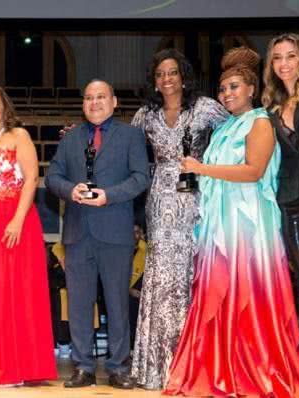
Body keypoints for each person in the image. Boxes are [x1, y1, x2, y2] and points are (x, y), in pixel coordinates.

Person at [165, 47, 299, 397]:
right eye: (223, 90)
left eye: (234, 87)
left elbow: (253, 171)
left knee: (247, 290)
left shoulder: (261, 121)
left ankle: (256, 366)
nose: (227, 94)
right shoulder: (226, 127)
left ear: (251, 88)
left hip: (248, 223)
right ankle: (223, 365)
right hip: (223, 221)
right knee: (220, 290)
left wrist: (201, 168)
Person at [129, 48, 229, 389]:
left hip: (198, 198)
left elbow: (237, 135)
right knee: (160, 276)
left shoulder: (207, 109)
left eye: (172, 72)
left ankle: (197, 365)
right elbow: (125, 151)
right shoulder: (145, 115)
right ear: (154, 83)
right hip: (159, 199)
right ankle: (158, 367)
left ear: (183, 76)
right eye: (160, 74)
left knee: (194, 272)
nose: (166, 79)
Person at [45, 79, 149, 390]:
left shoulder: (131, 135)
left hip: (116, 230)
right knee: (79, 303)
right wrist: (69, 189)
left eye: (101, 97)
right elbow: (53, 176)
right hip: (78, 232)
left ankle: (118, 367)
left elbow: (141, 178)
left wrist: (109, 195)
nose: (95, 103)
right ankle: (83, 367)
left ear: (114, 102)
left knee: (117, 301)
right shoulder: (71, 138)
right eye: (89, 98)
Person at [0, 84, 57, 386]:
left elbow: (32, 178)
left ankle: (16, 367)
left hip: (12, 222)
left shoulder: (19, 136)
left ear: (5, 107)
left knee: (13, 291)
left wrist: (17, 220)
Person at [262, 33, 299, 381]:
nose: (284, 63)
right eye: (277, 58)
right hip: (289, 200)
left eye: (291, 56)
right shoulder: (268, 109)